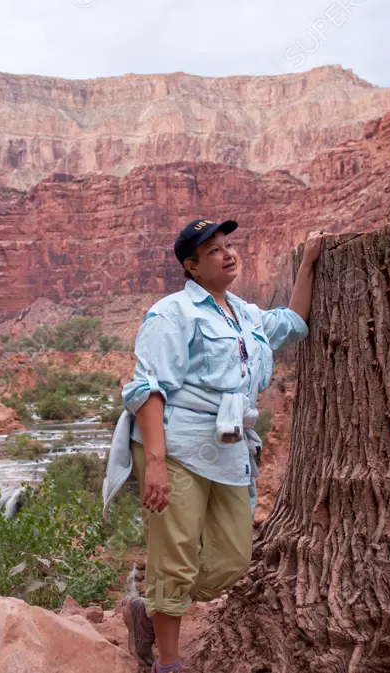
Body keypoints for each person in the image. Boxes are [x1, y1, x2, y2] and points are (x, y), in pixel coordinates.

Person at [101, 217, 323, 672]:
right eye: (214, 250)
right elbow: (147, 389)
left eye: (228, 245)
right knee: (176, 554)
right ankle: (169, 662)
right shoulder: (171, 314)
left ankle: (148, 609)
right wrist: (156, 464)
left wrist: (310, 261)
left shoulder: (245, 314)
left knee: (232, 559)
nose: (228, 253)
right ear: (192, 267)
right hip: (176, 445)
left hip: (227, 446)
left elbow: (294, 322)